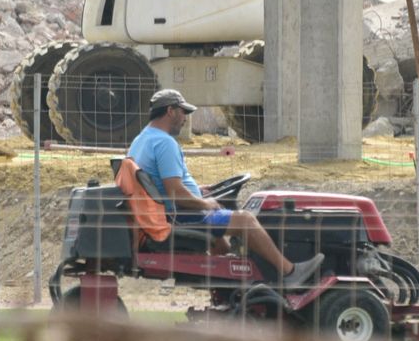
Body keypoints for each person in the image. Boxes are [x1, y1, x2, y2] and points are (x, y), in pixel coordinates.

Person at [128, 88, 324, 286]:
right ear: (170, 111)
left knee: (220, 219)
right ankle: (289, 272)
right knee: (246, 220)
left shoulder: (141, 139)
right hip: (179, 216)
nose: (185, 118)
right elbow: (175, 192)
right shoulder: (164, 143)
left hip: (166, 213)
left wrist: (200, 191)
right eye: (183, 112)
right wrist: (204, 203)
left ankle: (231, 280)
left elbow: (163, 184)